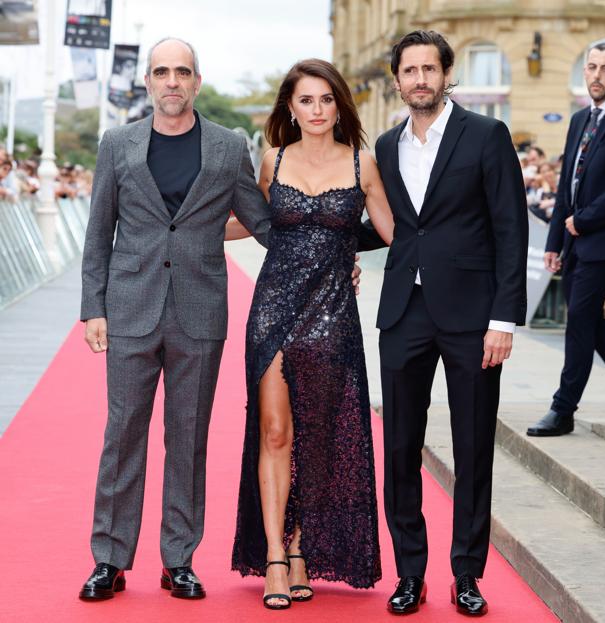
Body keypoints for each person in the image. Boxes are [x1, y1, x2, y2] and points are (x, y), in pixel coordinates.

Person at [78, 37, 272, 601]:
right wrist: (94, 307)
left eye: (181, 72)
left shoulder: (227, 146)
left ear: (196, 82)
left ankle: (178, 558)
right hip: (130, 309)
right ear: (147, 81)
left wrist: (330, 252)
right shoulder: (117, 144)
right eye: (161, 71)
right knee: (122, 438)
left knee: (188, 441)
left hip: (199, 312)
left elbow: (260, 221)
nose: (171, 81)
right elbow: (98, 234)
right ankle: (109, 559)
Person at [360, 30, 528, 615]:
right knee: (400, 447)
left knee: (473, 447)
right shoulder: (384, 145)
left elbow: (511, 229)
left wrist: (504, 319)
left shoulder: (486, 135)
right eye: (410, 70)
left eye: (430, 68)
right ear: (398, 78)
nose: (420, 79)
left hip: (472, 318)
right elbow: (387, 225)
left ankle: (466, 575)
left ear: (446, 73)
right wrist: (317, 241)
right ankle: (411, 574)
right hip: (403, 314)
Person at [229, 59, 394, 609]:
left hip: (331, 315)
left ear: (338, 105)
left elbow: (393, 232)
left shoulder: (362, 162)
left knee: (319, 438)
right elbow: (252, 221)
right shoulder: (272, 161)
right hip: (273, 308)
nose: (317, 110)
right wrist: (179, 226)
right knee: (276, 432)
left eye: (326, 100)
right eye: (306, 101)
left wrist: (345, 250)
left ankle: (302, 548)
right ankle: (276, 553)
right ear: (290, 108)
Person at [527, 43, 605, 436]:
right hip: (574, 241)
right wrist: (554, 242)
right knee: (590, 322)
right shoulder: (580, 118)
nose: (597, 75)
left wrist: (581, 222)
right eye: (591, 67)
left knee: (579, 319)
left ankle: (563, 409)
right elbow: (569, 185)